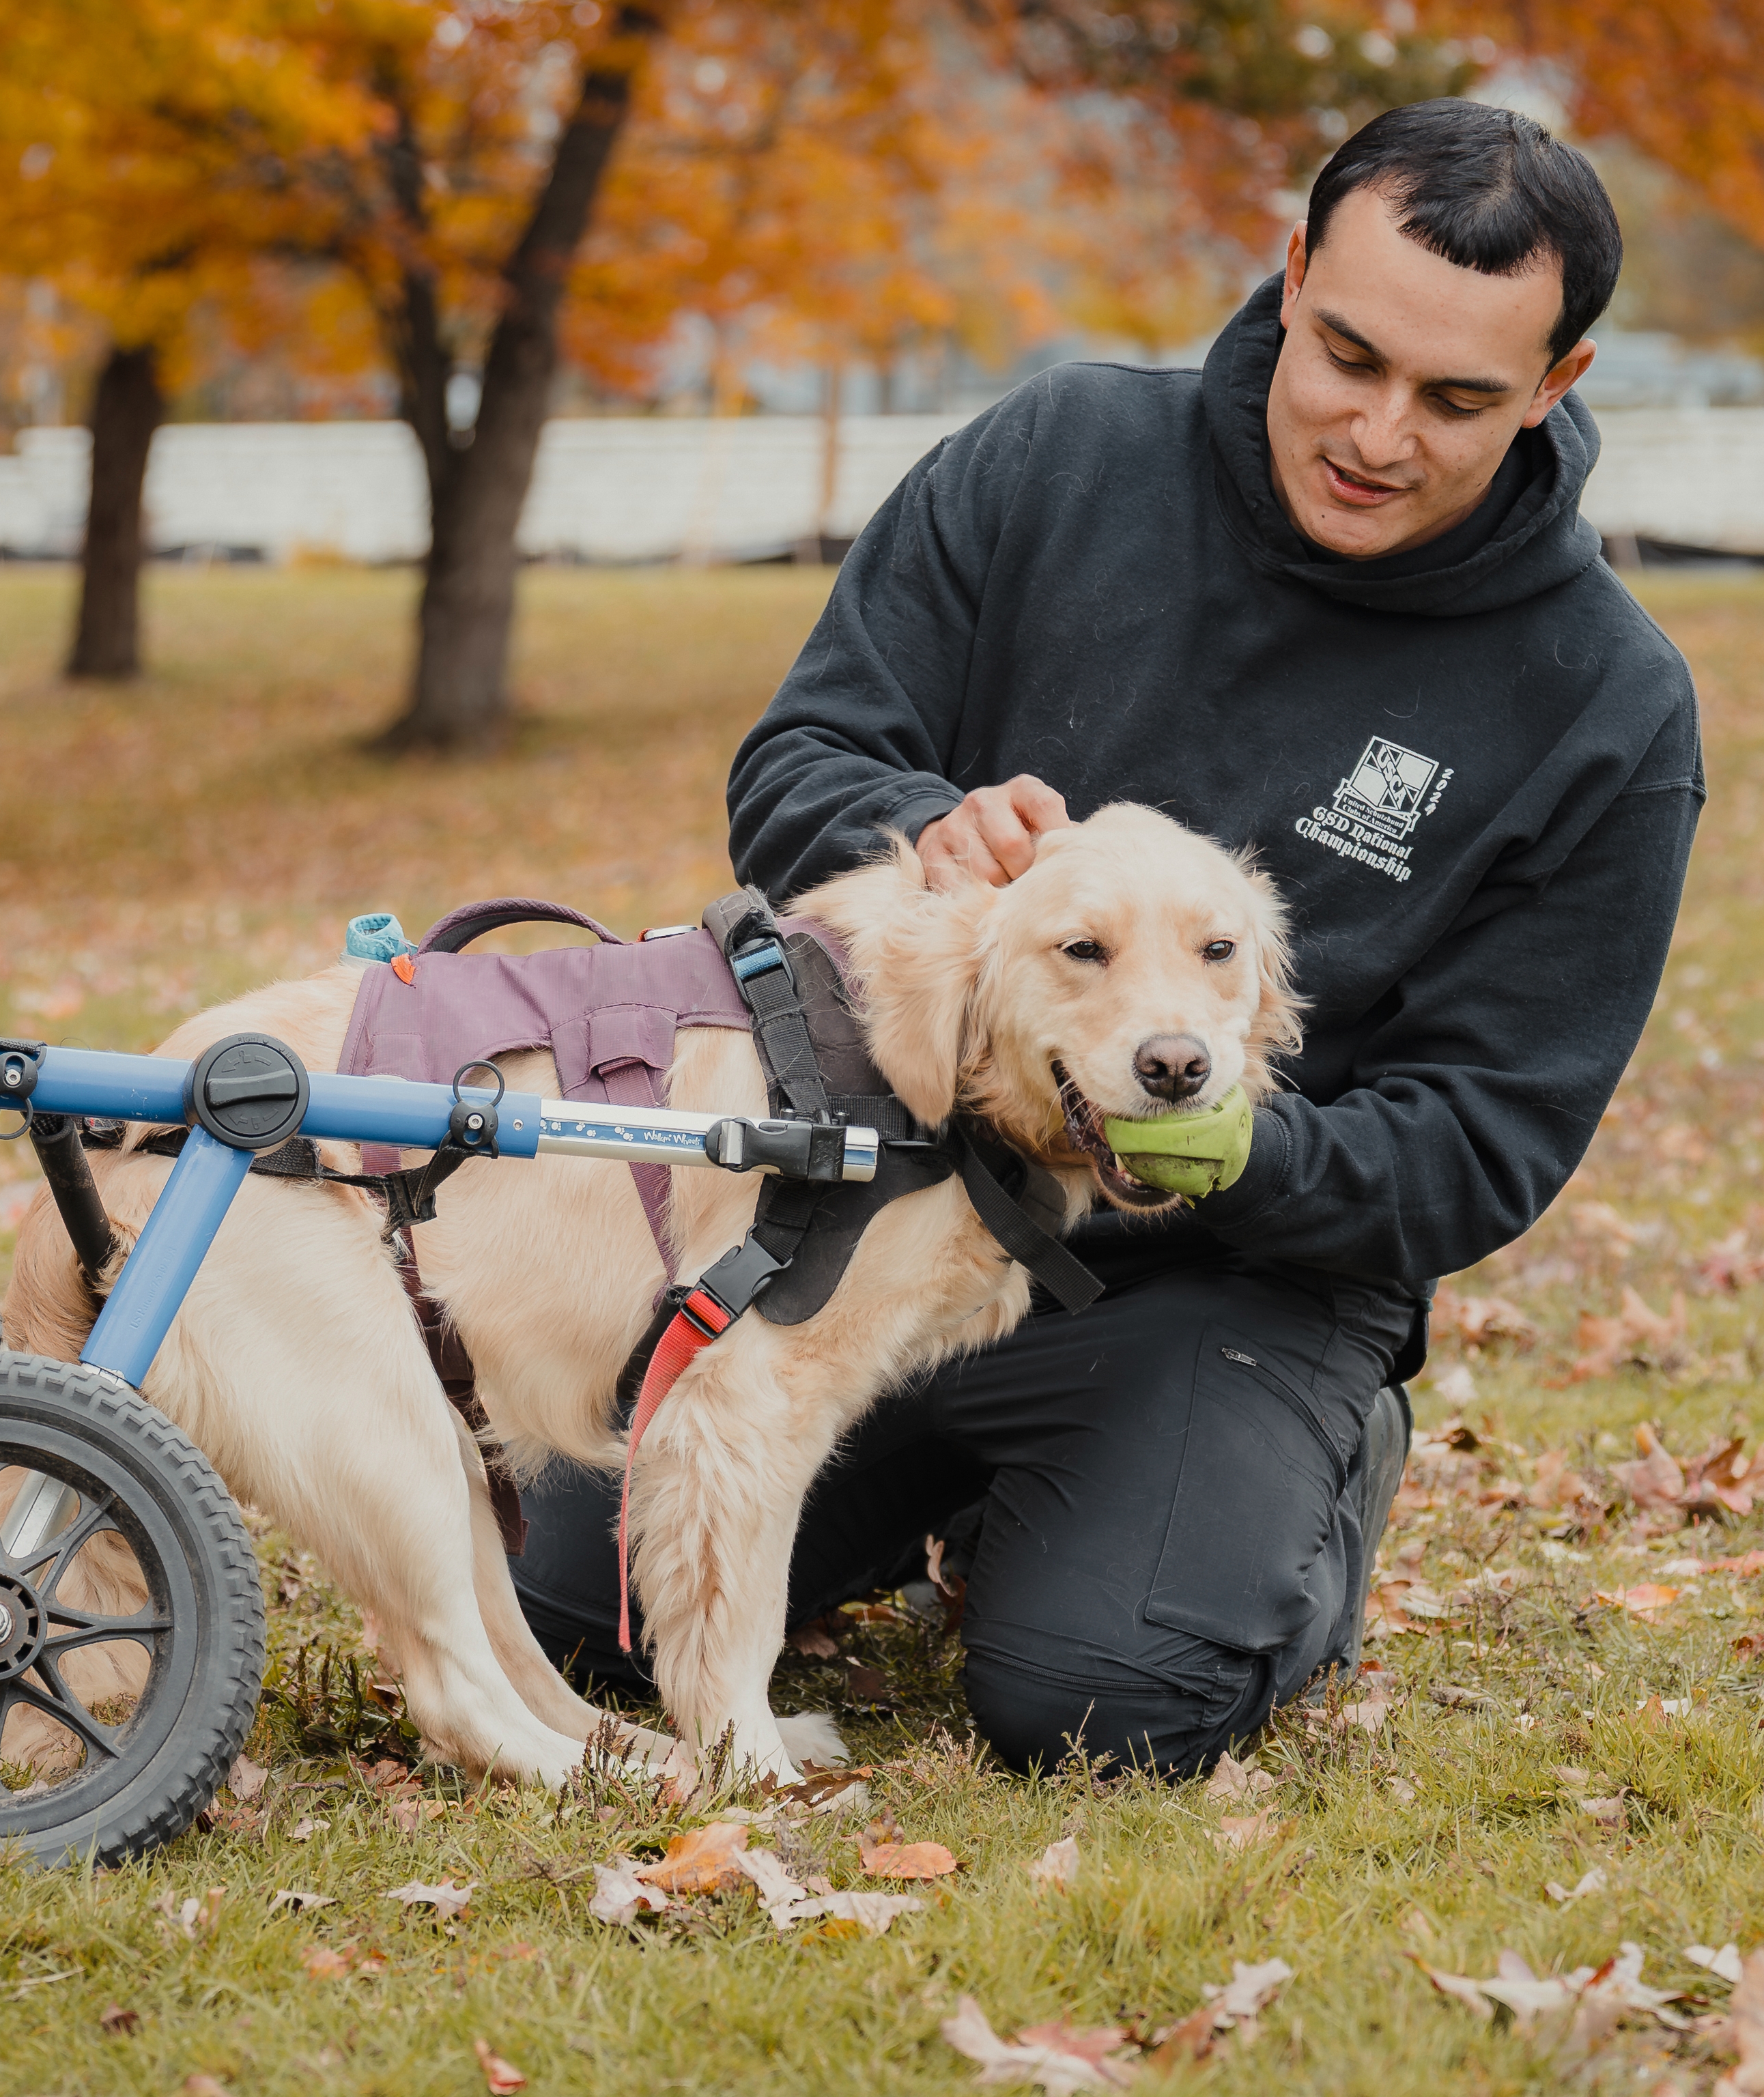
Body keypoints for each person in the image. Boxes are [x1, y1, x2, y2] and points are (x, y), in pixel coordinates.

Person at [509, 99, 1703, 1774]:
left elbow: (1487, 1140)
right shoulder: (1058, 457)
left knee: (1100, 1703)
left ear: (1558, 386)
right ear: (1289, 276)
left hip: (1234, 1285)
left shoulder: (1606, 703)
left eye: (1455, 400)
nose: (1375, 430)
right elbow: (802, 762)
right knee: (573, 1614)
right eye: (1346, 355)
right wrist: (920, 831)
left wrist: (1219, 1144)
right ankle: (982, 1497)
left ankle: (1288, 1488)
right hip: (886, 1211)